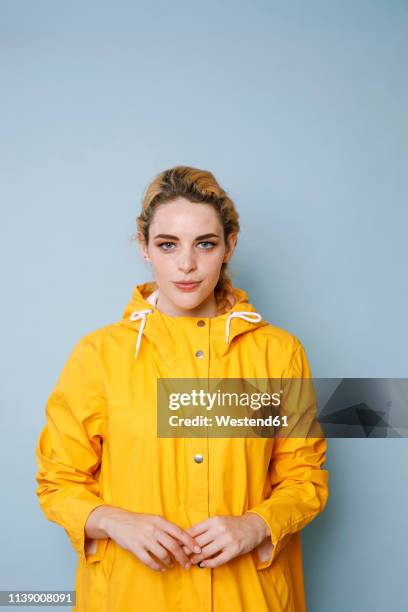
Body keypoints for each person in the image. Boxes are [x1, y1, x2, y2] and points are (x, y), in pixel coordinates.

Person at [35, 165, 329, 612]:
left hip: (246, 597)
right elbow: (58, 482)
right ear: (144, 248)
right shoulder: (98, 356)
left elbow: (304, 477)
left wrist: (256, 524)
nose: (186, 264)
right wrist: (115, 521)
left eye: (205, 244)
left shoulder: (278, 353)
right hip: (133, 596)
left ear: (229, 245)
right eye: (167, 244)